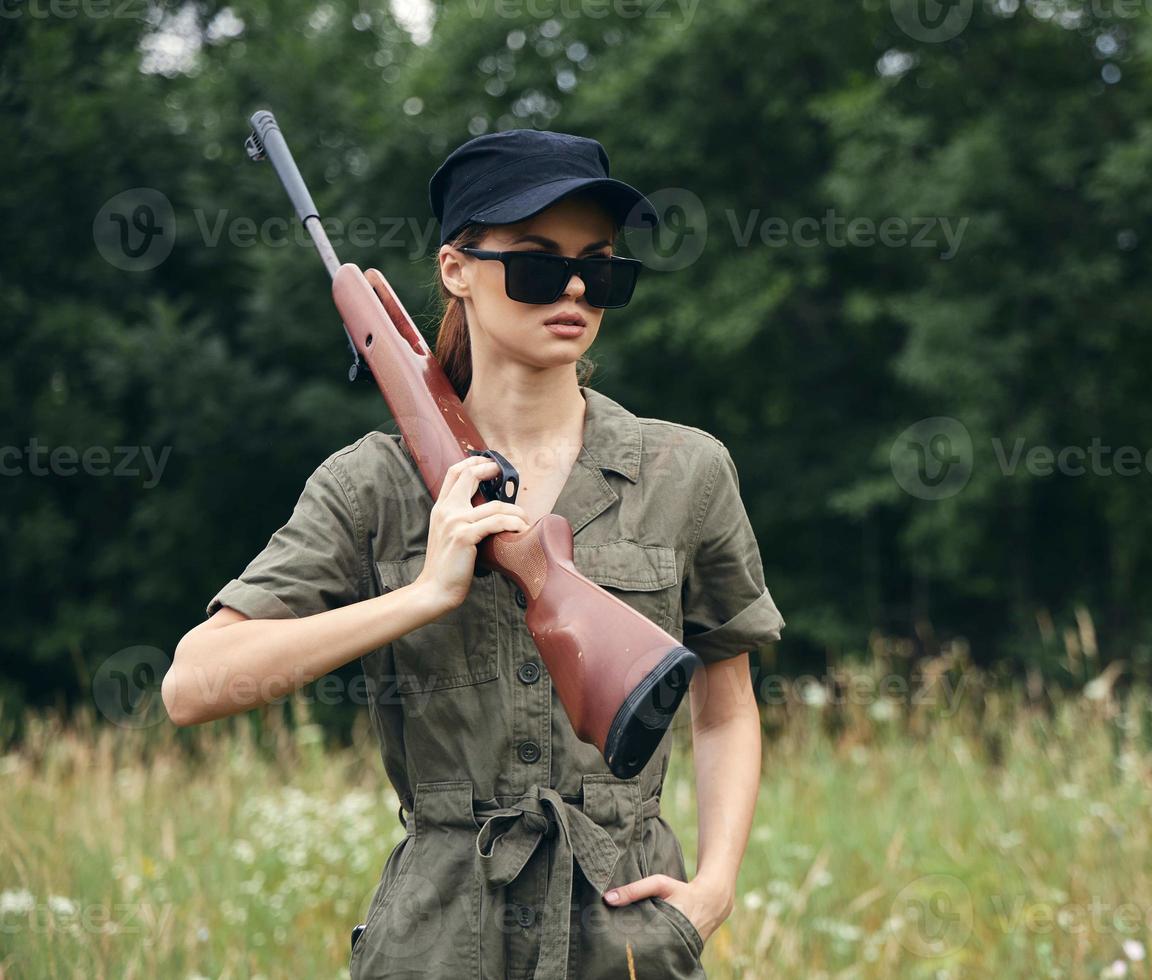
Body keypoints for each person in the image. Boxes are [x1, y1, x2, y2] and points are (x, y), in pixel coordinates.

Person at [162, 128, 785, 979]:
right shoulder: (371, 484)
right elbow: (194, 684)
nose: (572, 287)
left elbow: (726, 704)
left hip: (626, 929)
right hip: (437, 936)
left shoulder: (686, 470)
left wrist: (712, 889)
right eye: (534, 263)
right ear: (456, 269)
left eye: (600, 268)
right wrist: (420, 595)